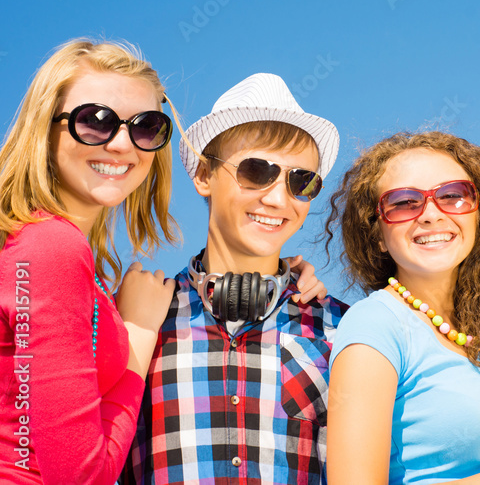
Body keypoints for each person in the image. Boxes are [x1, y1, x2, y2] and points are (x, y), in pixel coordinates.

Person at [120, 73, 348, 484]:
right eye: (257, 171)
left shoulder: (346, 330)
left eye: (301, 181)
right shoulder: (135, 321)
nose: (278, 198)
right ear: (204, 175)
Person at [324, 131, 480, 484]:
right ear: (378, 234)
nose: (430, 214)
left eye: (452, 196)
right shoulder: (375, 325)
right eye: (403, 202)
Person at [0, 39, 178, 484]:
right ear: (45, 128)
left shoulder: (38, 245)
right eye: (94, 121)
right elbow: (81, 478)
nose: (122, 144)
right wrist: (137, 337)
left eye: (146, 126)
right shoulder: (50, 248)